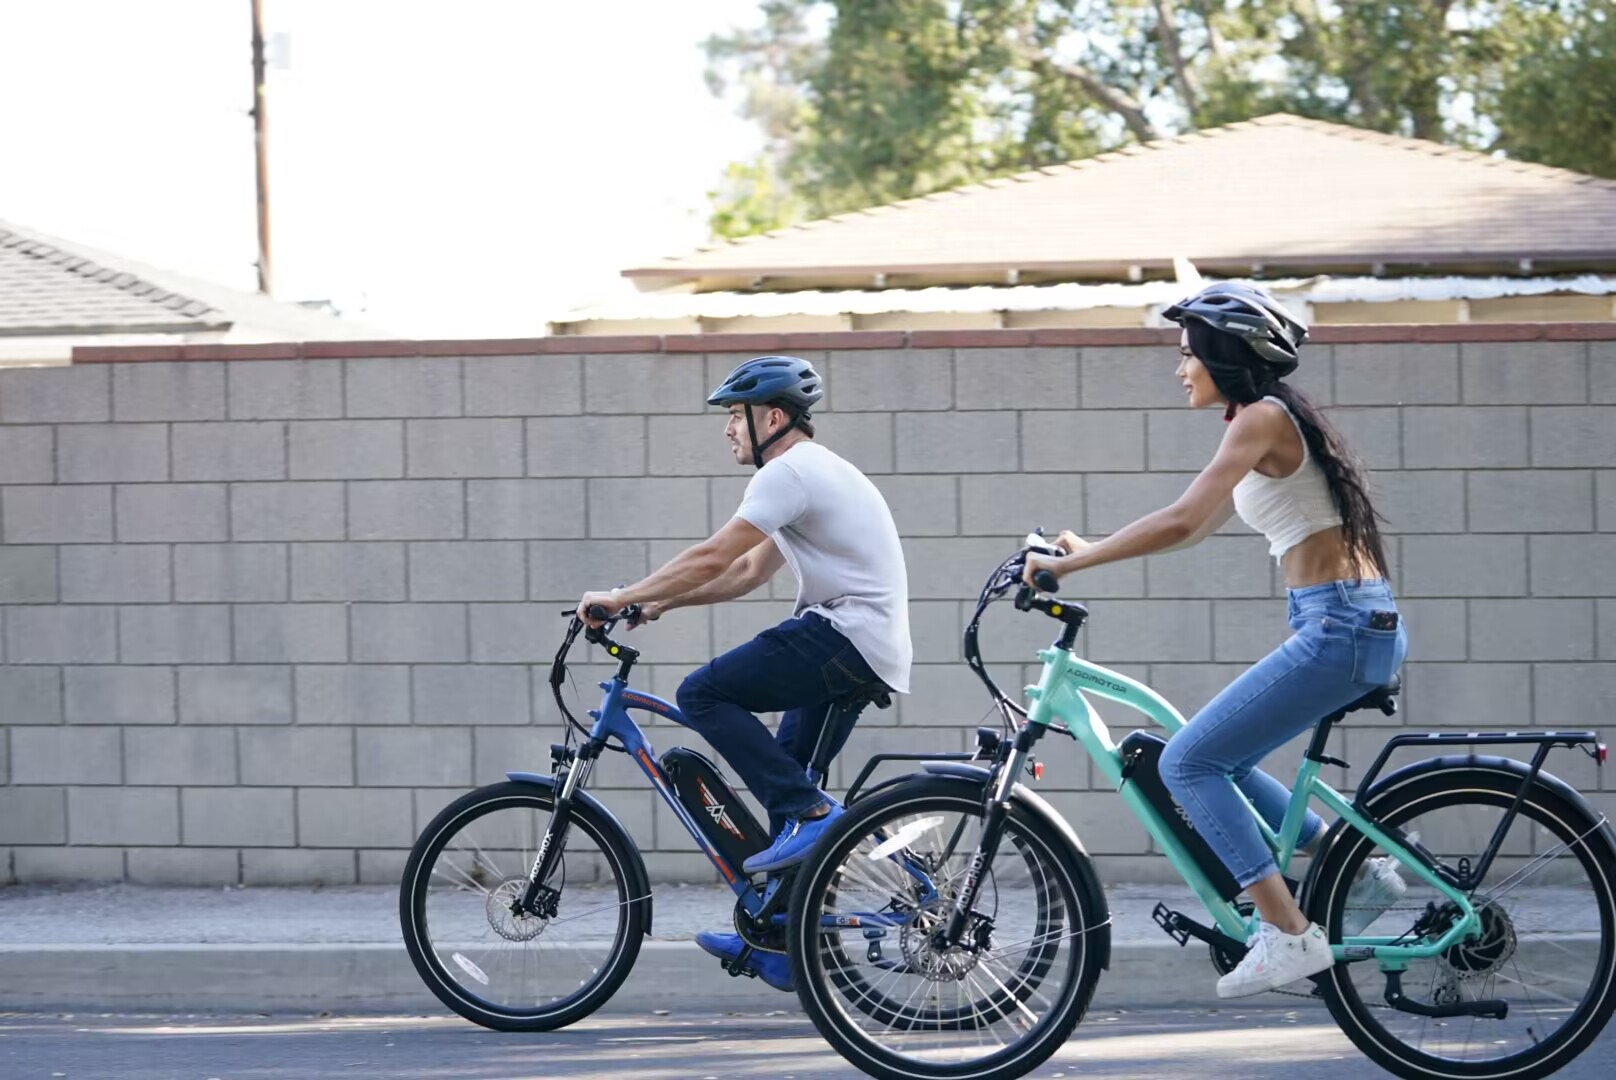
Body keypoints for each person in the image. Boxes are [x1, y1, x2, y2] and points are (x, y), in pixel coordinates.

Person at [1023, 282, 1410, 999]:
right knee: (1212, 756)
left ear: (1225, 357)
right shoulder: (1268, 419)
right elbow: (1193, 527)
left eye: (1187, 354)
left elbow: (1179, 520)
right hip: (1341, 620)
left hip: (1341, 626)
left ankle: (1288, 935)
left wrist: (1068, 565)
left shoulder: (1261, 418)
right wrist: (1090, 548)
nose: (1180, 369)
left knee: (1190, 763)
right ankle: (1360, 864)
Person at [576, 354, 912, 991]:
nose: (729, 429)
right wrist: (659, 601)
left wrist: (617, 599)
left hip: (842, 635)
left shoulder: (789, 472)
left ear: (774, 417)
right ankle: (783, 940)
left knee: (703, 693)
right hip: (866, 648)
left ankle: (812, 817)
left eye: (736, 416)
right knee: (788, 800)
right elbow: (743, 573)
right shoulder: (813, 473)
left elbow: (713, 553)